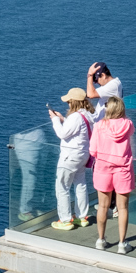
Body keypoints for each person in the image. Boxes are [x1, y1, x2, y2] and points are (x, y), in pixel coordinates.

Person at [89, 95, 135, 254]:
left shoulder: (99, 126)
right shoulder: (128, 124)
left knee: (102, 206)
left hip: (103, 168)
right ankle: (122, 244)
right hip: (123, 169)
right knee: (122, 208)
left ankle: (100, 240)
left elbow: (92, 151)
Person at [47, 88, 95, 231]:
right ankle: (82, 217)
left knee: (62, 187)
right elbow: (77, 128)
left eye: (68, 101)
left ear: (73, 102)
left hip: (70, 157)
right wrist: (63, 119)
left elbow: (62, 133)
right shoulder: (87, 114)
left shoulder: (75, 117)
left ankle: (65, 220)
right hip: (83, 155)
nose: (67, 103)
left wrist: (56, 120)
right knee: (80, 185)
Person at [86, 62, 125, 216]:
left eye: (97, 80)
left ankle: (112, 206)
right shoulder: (113, 86)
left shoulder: (113, 85)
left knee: (105, 169)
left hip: (108, 133)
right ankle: (108, 204)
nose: (96, 84)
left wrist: (89, 76)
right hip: (105, 131)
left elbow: (90, 94)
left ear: (102, 75)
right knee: (103, 169)